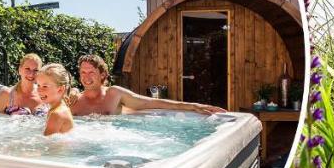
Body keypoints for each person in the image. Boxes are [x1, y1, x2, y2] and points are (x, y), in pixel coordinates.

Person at [69, 54, 225, 117]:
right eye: (83, 72)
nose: (86, 77)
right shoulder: (73, 99)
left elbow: (151, 102)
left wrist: (193, 106)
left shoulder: (114, 94)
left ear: (102, 74)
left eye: (91, 72)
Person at [37, 63, 74, 136]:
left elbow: (46, 144)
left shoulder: (56, 114)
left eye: (45, 86)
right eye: (38, 85)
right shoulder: (58, 108)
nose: (39, 90)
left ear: (60, 89)